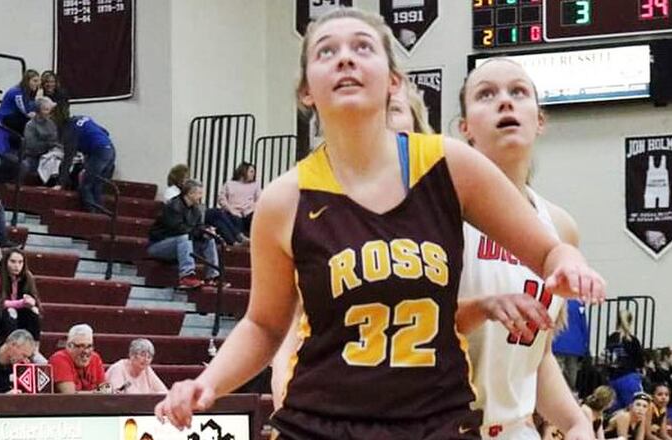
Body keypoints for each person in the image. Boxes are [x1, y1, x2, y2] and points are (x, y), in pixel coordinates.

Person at [155, 8, 605, 438]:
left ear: (394, 81)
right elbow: (265, 325)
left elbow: (549, 249)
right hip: (322, 421)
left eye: (363, 47)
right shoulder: (283, 200)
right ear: (306, 91)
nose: (345, 57)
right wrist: (208, 382)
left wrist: (569, 263)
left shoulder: (450, 165)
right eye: (326, 51)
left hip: (434, 421)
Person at [269, 79, 432, 410]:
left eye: (395, 108)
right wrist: (285, 395)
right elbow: (284, 327)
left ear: (417, 126)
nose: (383, 117)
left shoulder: (445, 205)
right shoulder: (305, 202)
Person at [455, 57, 594, 439]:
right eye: (486, 94)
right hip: (443, 425)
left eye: (518, 92)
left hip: (515, 429)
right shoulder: (441, 214)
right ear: (465, 129)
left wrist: (574, 420)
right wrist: (482, 308)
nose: (505, 102)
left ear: (540, 120)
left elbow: (536, 355)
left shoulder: (560, 229)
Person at [147, 179, 220, 289]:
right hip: (159, 245)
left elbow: (198, 227)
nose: (201, 196)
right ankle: (186, 276)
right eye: (199, 193)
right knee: (184, 238)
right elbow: (179, 229)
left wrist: (207, 231)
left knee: (209, 239)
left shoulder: (196, 209)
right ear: (190, 193)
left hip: (183, 244)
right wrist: (200, 233)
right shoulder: (173, 206)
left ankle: (212, 276)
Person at [58, 114, 116, 213]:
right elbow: (105, 132)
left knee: (85, 186)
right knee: (97, 186)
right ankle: (101, 215)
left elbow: (67, 160)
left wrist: (60, 183)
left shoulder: (70, 132)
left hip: (99, 152)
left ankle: (93, 215)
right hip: (110, 150)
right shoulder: (83, 118)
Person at [0, 250, 42, 344]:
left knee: (34, 311)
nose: (17, 266)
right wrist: (22, 303)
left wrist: (31, 302)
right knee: (11, 312)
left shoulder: (27, 276)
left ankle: (34, 347)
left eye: (20, 262)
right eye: (13, 261)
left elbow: (33, 297)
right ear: (6, 262)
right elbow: (0, 303)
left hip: (19, 312)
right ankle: (12, 344)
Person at [206, 162, 260, 244]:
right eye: (251, 171)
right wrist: (230, 209)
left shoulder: (255, 185)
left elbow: (259, 200)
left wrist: (250, 209)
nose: (254, 174)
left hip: (248, 212)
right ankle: (238, 239)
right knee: (232, 218)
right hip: (233, 211)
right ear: (243, 171)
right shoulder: (229, 184)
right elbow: (221, 199)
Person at [49, 323, 107, 393]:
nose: (86, 351)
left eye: (89, 346)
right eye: (80, 346)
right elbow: (71, 395)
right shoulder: (59, 359)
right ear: (69, 346)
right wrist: (98, 392)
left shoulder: (95, 358)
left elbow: (105, 390)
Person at [606, 309, 645, 411]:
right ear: (631, 322)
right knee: (636, 410)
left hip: (613, 378)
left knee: (615, 412)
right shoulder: (632, 340)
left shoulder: (611, 338)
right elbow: (640, 361)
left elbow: (608, 356)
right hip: (629, 377)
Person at [0, 328, 35, 393]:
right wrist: (3, 396)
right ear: (12, 345)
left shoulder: (21, 368)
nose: (25, 361)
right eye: (24, 356)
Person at [552, 298, 590, 394]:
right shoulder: (579, 304)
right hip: (575, 345)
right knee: (572, 374)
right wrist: (585, 345)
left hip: (558, 342)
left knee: (556, 373)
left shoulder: (558, 302)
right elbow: (583, 326)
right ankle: (571, 395)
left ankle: (556, 394)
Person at [23, 96, 62, 184]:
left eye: (50, 110)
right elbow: (32, 146)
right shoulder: (30, 125)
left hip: (52, 155)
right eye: (46, 110)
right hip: (34, 157)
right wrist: (49, 144)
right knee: (25, 165)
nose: (49, 113)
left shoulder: (51, 123)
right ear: (38, 111)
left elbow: (56, 140)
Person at [0, 69, 40, 139]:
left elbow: (31, 108)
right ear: (27, 81)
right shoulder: (17, 92)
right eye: (35, 81)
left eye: (38, 81)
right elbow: (25, 110)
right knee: (31, 124)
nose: (38, 83)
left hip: (17, 115)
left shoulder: (28, 91)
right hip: (7, 117)